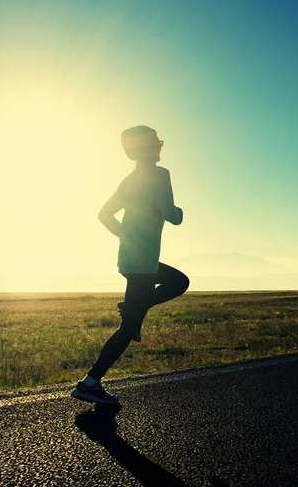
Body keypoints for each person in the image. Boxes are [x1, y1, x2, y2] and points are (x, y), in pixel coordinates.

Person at [71, 125, 189, 404]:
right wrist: (179, 213)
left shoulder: (129, 180)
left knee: (172, 286)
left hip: (130, 259)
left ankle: (93, 380)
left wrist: (125, 234)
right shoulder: (160, 174)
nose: (161, 147)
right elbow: (170, 213)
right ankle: (90, 383)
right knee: (131, 326)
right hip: (144, 262)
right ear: (150, 147)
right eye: (158, 142)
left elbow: (104, 214)